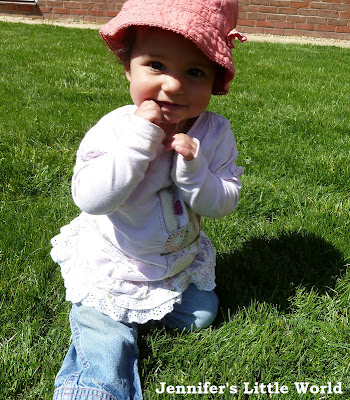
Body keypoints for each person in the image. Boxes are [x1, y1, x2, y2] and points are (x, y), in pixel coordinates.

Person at [50, 0, 246, 398]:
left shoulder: (215, 133)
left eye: (194, 72)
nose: (173, 85)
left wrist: (194, 170)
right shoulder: (114, 130)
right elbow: (92, 199)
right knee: (106, 340)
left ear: (215, 81)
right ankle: (96, 375)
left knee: (201, 315)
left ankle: (140, 309)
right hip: (116, 261)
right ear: (128, 67)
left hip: (175, 262)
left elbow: (223, 203)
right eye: (156, 65)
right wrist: (139, 143)